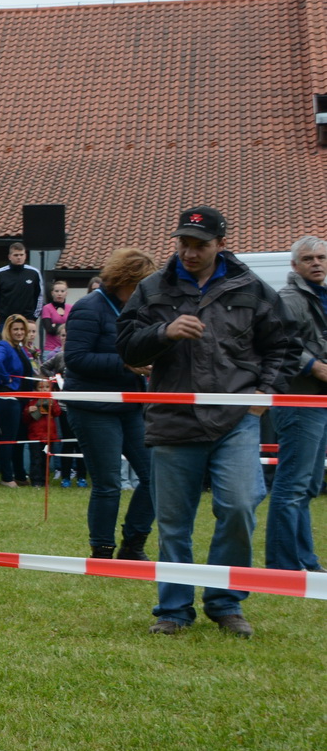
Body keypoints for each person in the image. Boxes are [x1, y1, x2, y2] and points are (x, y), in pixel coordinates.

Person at [118, 206, 294, 638]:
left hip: (235, 420)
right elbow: (126, 347)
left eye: (200, 244)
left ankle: (225, 602)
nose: (190, 251)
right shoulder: (153, 288)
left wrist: (264, 394)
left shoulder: (251, 288)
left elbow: (285, 345)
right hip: (173, 420)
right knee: (174, 522)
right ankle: (174, 609)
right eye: (184, 242)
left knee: (238, 506)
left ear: (221, 244)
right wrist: (164, 333)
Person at [64, 247, 158, 559]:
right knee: (108, 483)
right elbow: (75, 360)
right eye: (140, 284)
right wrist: (126, 363)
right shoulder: (88, 308)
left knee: (154, 476)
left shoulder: (136, 309)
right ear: (122, 280)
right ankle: (102, 549)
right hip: (92, 406)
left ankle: (134, 544)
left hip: (130, 403)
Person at [265, 236, 327, 572]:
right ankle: (283, 564)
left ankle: (306, 560)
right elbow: (281, 340)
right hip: (298, 398)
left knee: (308, 484)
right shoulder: (289, 297)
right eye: (308, 259)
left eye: (320, 257)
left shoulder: (319, 296)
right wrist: (315, 366)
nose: (316, 263)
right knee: (292, 484)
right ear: (294, 265)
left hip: (318, 401)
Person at [0, 314, 41, 486]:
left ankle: (19, 475)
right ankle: (7, 477)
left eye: (21, 329)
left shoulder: (20, 348)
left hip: (20, 399)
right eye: (15, 329)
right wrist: (6, 379)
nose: (19, 332)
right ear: (9, 331)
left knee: (19, 437)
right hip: (7, 397)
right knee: (9, 438)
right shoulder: (4, 345)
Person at [0, 242, 44, 326]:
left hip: (27, 320)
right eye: (16, 255)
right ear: (9, 257)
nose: (19, 257)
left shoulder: (34, 273)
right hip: (4, 321)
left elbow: (39, 297)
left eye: (21, 254)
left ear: (25, 256)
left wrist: (34, 317)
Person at [39, 278, 72, 355]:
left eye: (62, 291)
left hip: (66, 349)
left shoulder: (70, 308)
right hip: (50, 349)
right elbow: (49, 329)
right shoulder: (47, 308)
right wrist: (64, 326)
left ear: (66, 293)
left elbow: (73, 328)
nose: (59, 294)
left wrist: (55, 325)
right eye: (56, 291)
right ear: (52, 293)